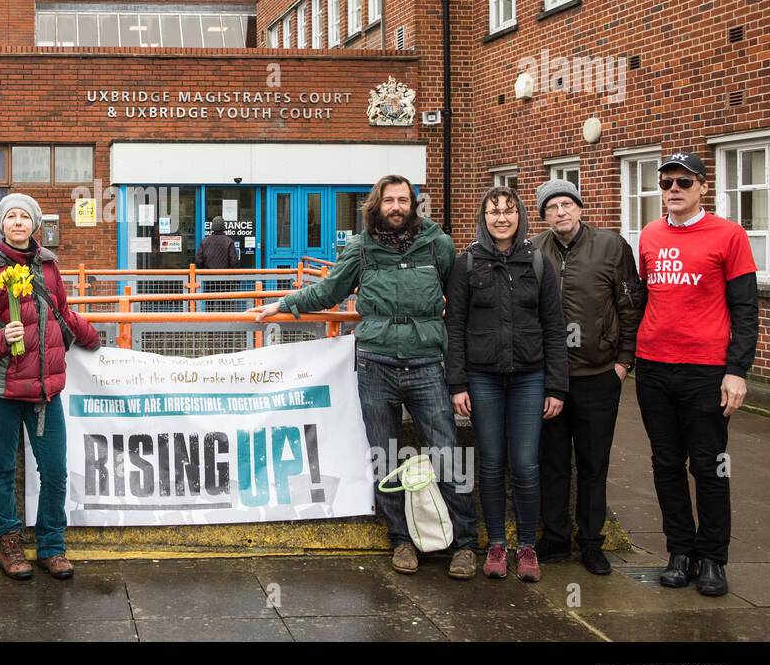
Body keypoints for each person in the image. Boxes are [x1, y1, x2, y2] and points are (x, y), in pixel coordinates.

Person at [252, 175, 478, 579]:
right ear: (377, 205)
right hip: (376, 363)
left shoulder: (437, 244)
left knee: (445, 451)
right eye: (389, 200)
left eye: (403, 200)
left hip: (427, 363)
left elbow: (458, 303)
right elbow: (328, 292)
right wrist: (284, 303)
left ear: (414, 204)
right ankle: (401, 540)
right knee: (385, 454)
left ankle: (464, 543)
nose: (396, 207)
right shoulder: (360, 247)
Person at [636, 152, 757, 597]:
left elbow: (745, 309)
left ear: (702, 186)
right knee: (665, 464)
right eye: (666, 182)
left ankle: (712, 559)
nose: (673, 190)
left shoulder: (730, 235)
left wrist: (737, 370)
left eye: (683, 182)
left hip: (706, 371)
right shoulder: (649, 235)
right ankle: (679, 552)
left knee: (709, 466)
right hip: (654, 367)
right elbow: (646, 299)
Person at [0, 194, 101, 580]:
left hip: (44, 391)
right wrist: (0, 339)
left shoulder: (49, 266)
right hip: (2, 391)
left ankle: (51, 546)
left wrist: (93, 340)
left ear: (35, 224)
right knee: (2, 469)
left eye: (26, 216)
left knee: (55, 470)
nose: (19, 222)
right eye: (12, 216)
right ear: (1, 224)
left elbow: (63, 312)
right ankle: (9, 545)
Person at [445, 186, 568, 583]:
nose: (501, 218)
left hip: (530, 377)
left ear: (520, 217)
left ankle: (527, 547)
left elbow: (554, 328)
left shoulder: (538, 264)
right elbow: (455, 327)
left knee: (526, 463)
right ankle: (496, 544)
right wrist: (458, 382)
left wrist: (556, 386)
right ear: (483, 217)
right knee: (492, 462)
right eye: (494, 211)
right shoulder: (467, 264)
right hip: (482, 378)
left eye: (509, 211)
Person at [532, 180, 644, 575]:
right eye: (552, 207)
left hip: (598, 373)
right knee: (554, 460)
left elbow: (630, 305)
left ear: (580, 209)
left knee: (594, 463)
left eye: (567, 204)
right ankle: (556, 537)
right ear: (543, 215)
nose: (560, 212)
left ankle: (591, 541)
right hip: (550, 377)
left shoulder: (612, 247)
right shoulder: (535, 251)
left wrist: (623, 362)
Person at [196, 216, 242, 311]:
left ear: (212, 227)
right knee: (226, 306)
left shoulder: (204, 241)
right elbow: (234, 262)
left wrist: (203, 273)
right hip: (226, 280)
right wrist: (236, 279)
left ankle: (210, 324)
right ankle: (226, 324)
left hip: (209, 279)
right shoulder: (229, 241)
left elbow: (198, 261)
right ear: (224, 227)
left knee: (210, 305)